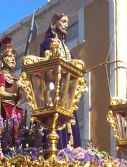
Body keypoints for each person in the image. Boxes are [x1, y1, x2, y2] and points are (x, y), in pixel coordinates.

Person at [40, 13, 81, 149]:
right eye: (63, 21)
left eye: (67, 22)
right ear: (55, 23)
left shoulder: (66, 47)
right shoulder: (47, 44)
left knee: (70, 120)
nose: (66, 24)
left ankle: (72, 150)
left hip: (67, 92)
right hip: (53, 90)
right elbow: (45, 67)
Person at [0, 37, 24, 122]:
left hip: (16, 109)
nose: (13, 59)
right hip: (5, 108)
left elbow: (21, 93)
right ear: (3, 59)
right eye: (9, 56)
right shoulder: (1, 75)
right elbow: (0, 93)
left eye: (14, 57)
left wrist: (22, 86)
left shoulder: (16, 77)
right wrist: (13, 96)